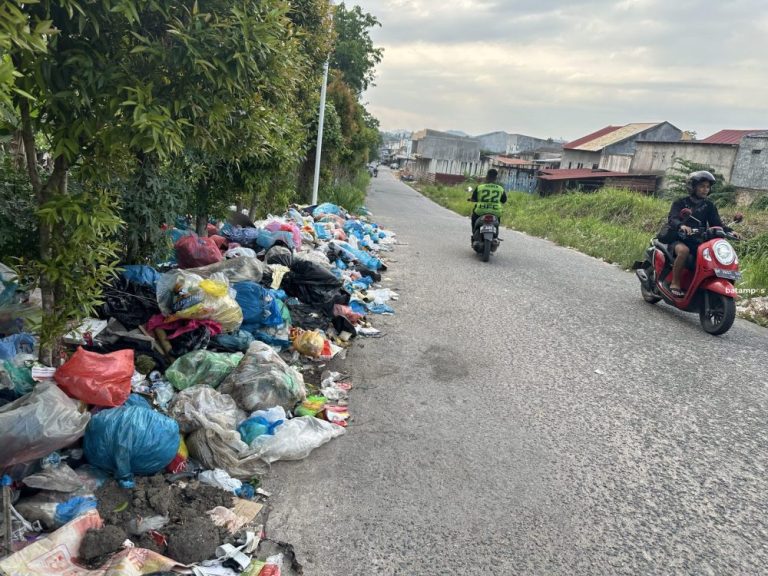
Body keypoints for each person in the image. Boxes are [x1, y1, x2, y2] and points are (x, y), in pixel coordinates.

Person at [666, 170, 738, 297]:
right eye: (702, 186)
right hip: (679, 239)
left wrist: (731, 231)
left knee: (712, 255)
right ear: (693, 187)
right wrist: (681, 225)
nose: (705, 189)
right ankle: (675, 283)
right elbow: (672, 218)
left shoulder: (709, 205)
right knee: (683, 251)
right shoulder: (681, 202)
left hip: (698, 240)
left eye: (707, 187)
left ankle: (700, 286)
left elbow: (717, 224)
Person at [469, 168, 507, 239]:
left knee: (473, 218)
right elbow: (504, 200)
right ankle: (496, 236)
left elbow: (474, 199)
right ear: (496, 178)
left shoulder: (480, 187)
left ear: (487, 176)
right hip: (495, 211)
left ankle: (474, 234)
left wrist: (471, 199)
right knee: (497, 221)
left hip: (480, 211)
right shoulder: (500, 188)